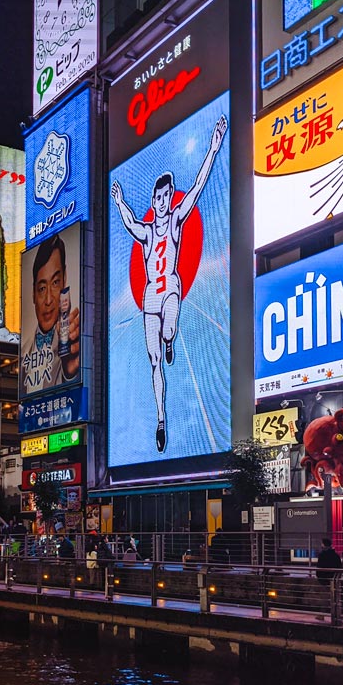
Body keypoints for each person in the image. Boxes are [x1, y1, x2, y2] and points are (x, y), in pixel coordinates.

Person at [110, 114, 228, 452]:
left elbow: (198, 188)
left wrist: (214, 147)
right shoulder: (147, 233)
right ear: (154, 200)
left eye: (167, 196)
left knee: (168, 331)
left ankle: (170, 338)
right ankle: (162, 418)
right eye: (159, 197)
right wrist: (119, 201)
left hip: (171, 288)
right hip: (150, 297)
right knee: (153, 361)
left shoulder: (176, 220)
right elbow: (131, 222)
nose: (163, 201)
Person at [20, 234, 80, 395]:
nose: (48, 300)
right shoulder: (23, 353)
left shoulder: (74, 341)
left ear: (65, 278)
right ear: (33, 293)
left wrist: (70, 374)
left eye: (55, 283)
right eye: (41, 288)